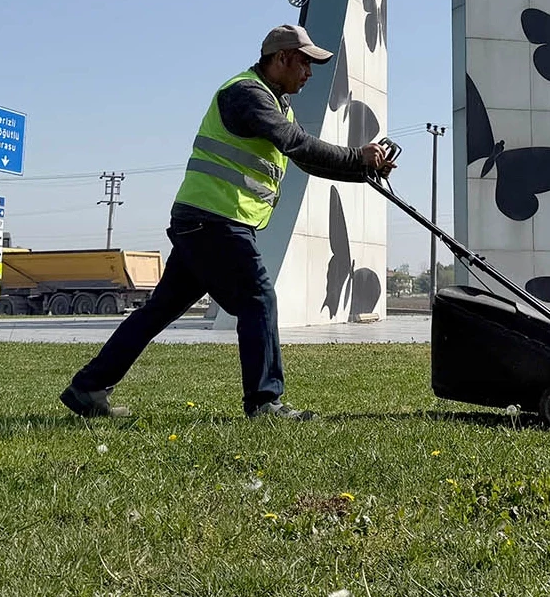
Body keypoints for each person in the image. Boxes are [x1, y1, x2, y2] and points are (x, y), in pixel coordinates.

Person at [61, 24, 394, 421]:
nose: (309, 73)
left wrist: (364, 171)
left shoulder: (277, 103)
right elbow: (297, 144)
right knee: (259, 298)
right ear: (281, 58)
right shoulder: (246, 94)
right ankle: (265, 403)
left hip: (204, 220)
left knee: (159, 311)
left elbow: (303, 158)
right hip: (215, 220)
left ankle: (88, 387)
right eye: (305, 63)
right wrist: (357, 157)